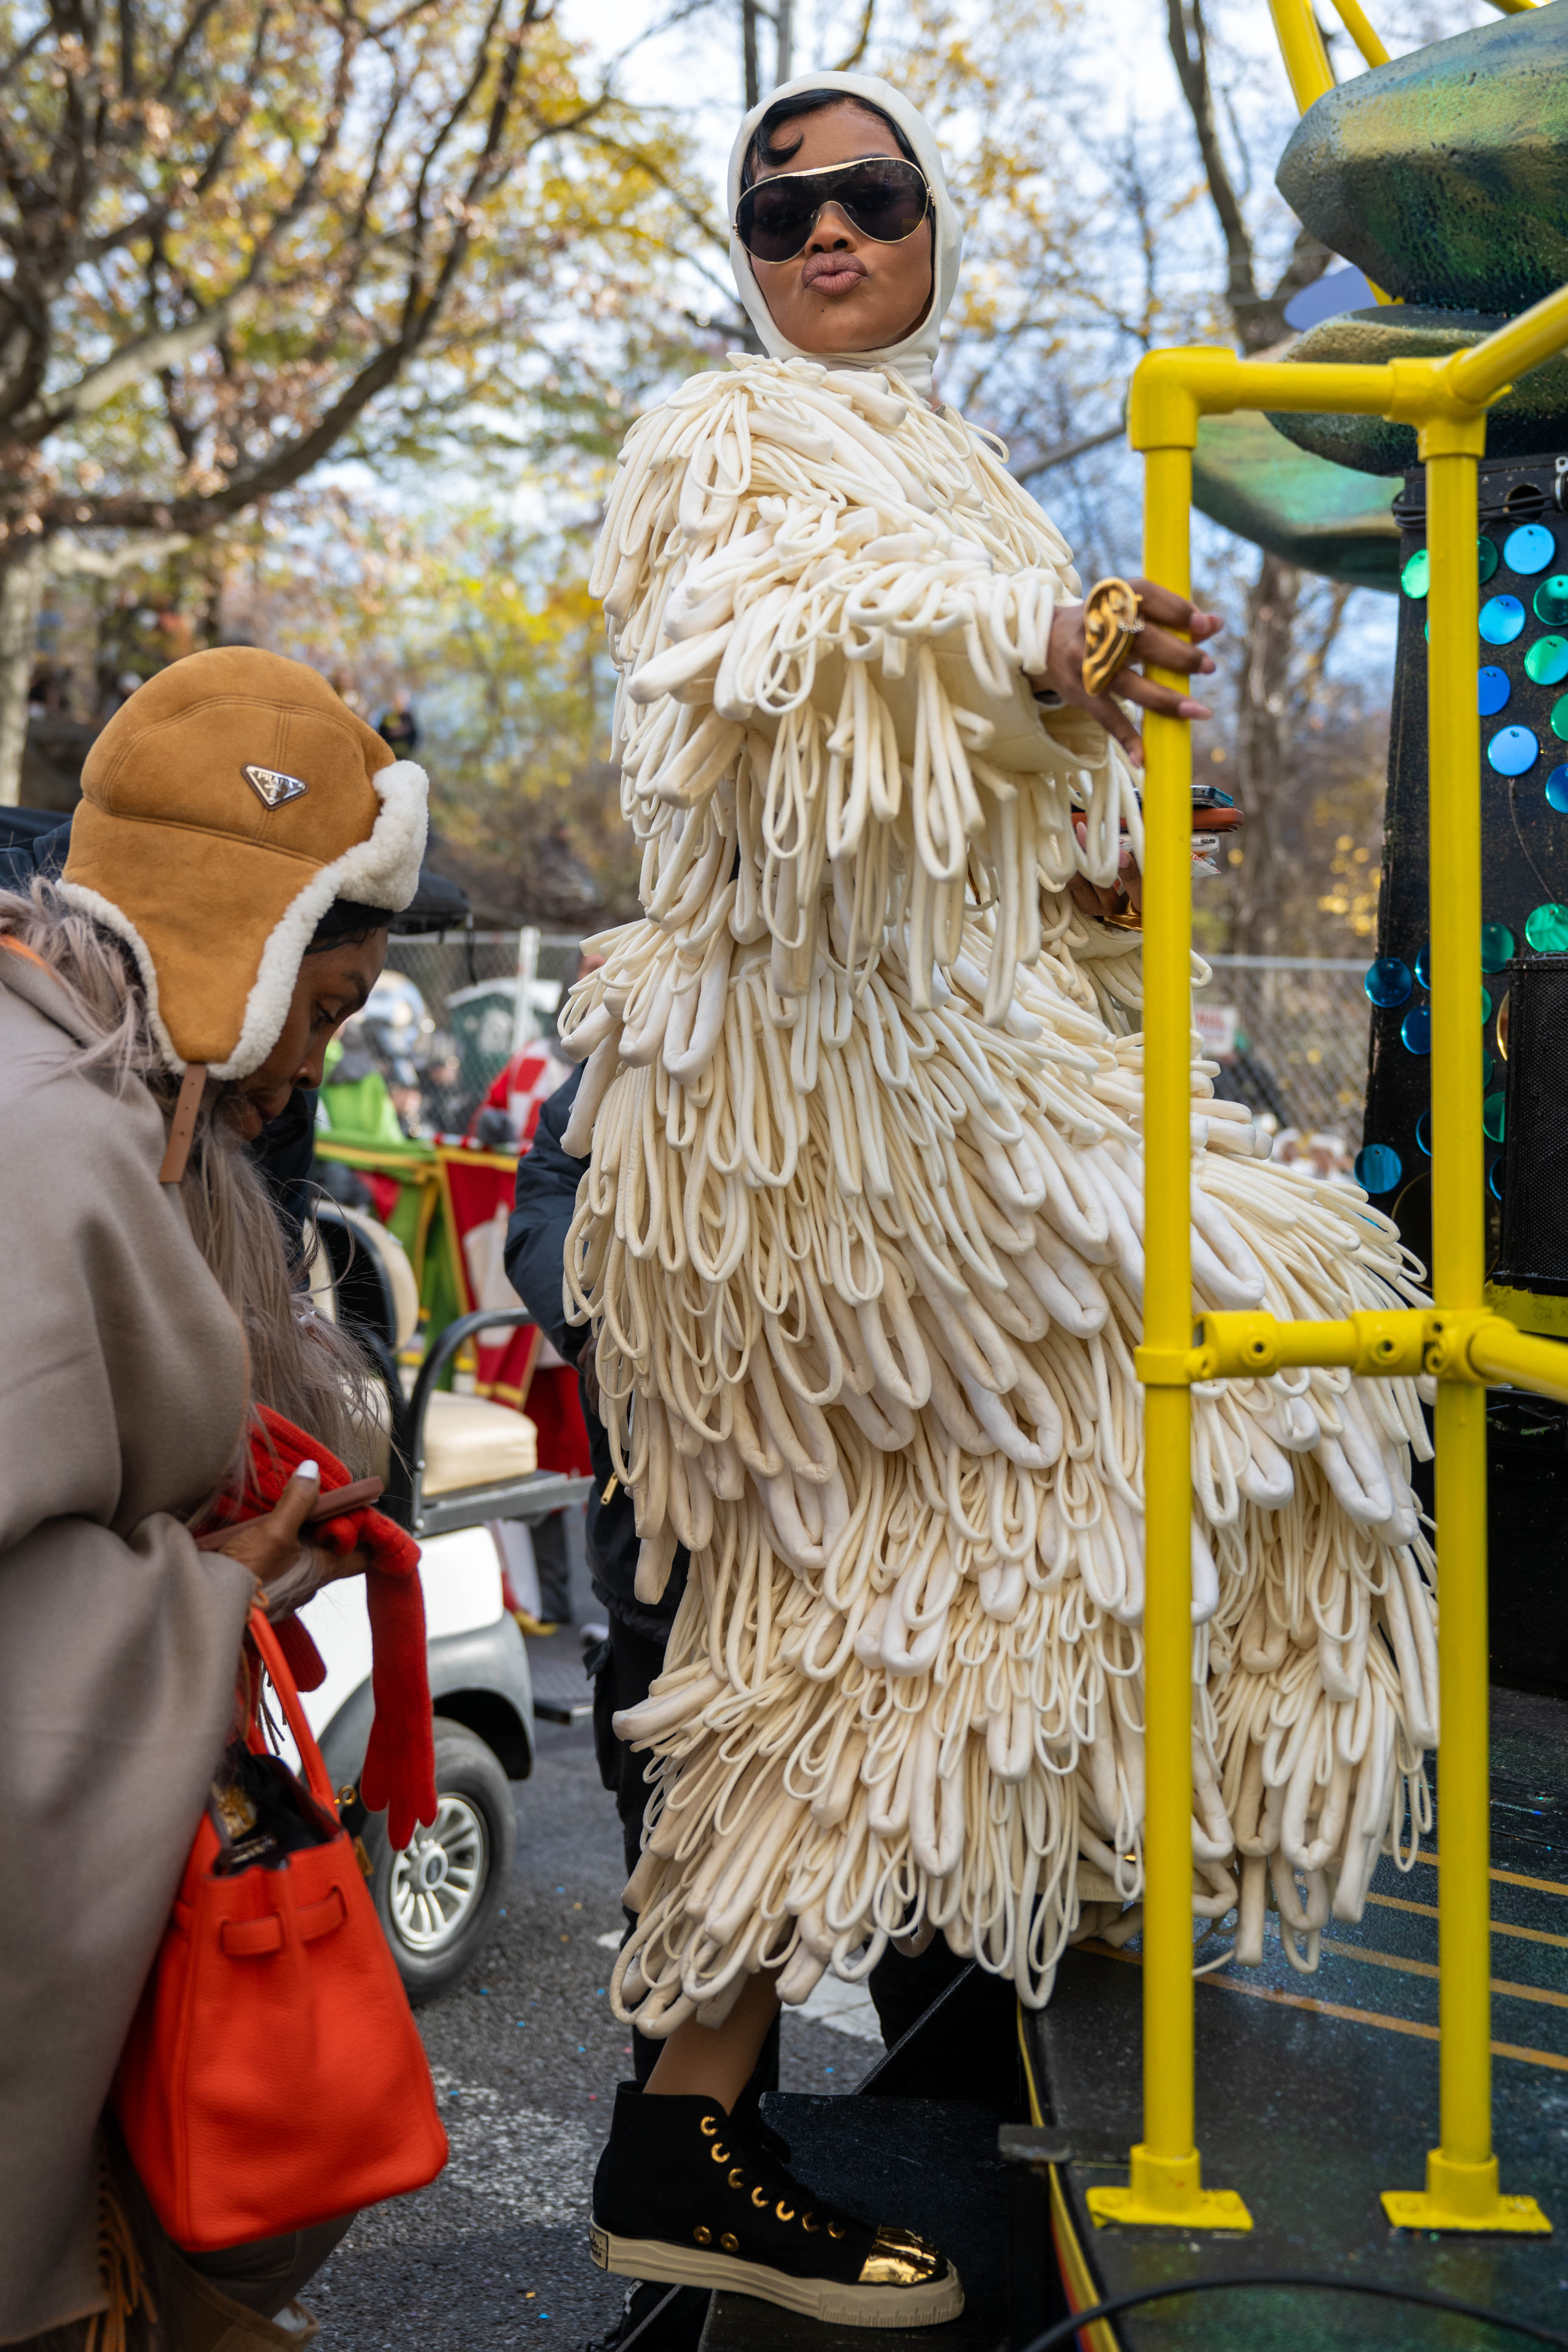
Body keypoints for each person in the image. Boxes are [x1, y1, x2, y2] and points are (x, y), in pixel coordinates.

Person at [559, 69, 1438, 2327]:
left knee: (1242, 1366)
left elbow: (957, 834)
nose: (824, 234)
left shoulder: (955, 464)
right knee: (961, 1548)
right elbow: (762, 684)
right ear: (746, 259)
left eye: (865, 197)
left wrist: (1092, 855)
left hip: (940, 1079)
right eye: (780, 214)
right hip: (805, 1125)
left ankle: (747, 2073)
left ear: (935, 223)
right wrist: (1023, 661)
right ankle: (708, 2098)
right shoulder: (721, 439)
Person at [1, 646, 429, 2350]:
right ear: (244, 946)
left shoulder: (78, 1091)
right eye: (318, 1014)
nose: (294, 1085)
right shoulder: (48, 1135)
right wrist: (215, 1589)